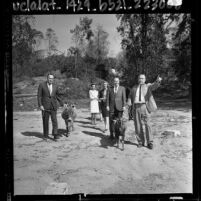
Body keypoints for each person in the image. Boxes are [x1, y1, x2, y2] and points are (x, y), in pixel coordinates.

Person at [128, 74, 162, 149]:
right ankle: (140, 142)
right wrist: (129, 101)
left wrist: (158, 81)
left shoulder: (148, 86)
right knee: (137, 125)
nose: (141, 79)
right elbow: (130, 96)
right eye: (139, 78)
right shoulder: (134, 87)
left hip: (145, 107)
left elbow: (154, 86)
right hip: (136, 107)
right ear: (137, 79)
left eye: (142, 78)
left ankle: (150, 142)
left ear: (145, 79)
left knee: (148, 125)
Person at [37, 73, 67, 141]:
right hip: (45, 106)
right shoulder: (42, 85)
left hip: (53, 106)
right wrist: (40, 105)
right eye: (50, 78)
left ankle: (55, 135)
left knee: (55, 121)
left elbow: (57, 96)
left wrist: (62, 103)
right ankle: (45, 135)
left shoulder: (55, 86)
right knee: (45, 121)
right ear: (47, 78)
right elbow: (39, 96)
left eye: (52, 78)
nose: (51, 80)